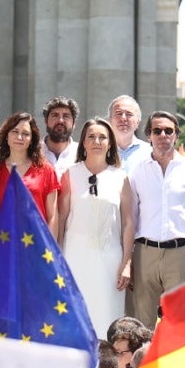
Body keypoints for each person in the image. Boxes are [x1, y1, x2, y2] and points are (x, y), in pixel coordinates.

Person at [128, 111, 185, 324]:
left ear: (176, 135)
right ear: (149, 136)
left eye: (168, 131)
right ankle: (143, 359)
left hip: (180, 255)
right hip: (144, 253)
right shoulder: (137, 172)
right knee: (143, 323)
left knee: (180, 320)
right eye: (157, 130)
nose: (163, 135)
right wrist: (129, 260)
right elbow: (131, 219)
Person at [57, 118, 135, 334]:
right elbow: (61, 219)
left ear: (110, 143)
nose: (97, 141)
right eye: (91, 136)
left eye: (103, 137)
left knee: (107, 320)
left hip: (110, 262)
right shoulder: (70, 174)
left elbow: (128, 223)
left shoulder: (120, 178)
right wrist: (58, 257)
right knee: (76, 319)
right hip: (74, 258)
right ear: (83, 142)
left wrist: (126, 263)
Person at [0, 111, 60, 226]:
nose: (19, 137)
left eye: (25, 133)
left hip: (36, 241)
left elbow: (53, 217)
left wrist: (49, 244)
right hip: (2, 240)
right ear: (7, 136)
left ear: (32, 139)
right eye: (15, 131)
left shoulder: (47, 171)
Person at [42, 96, 80, 175]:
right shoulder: (33, 152)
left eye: (66, 116)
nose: (60, 120)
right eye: (55, 115)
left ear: (74, 124)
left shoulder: (82, 153)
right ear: (46, 121)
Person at [109, 96, 149, 170]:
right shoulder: (100, 151)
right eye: (118, 113)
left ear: (138, 122)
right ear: (110, 120)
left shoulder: (150, 153)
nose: (123, 118)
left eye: (129, 114)